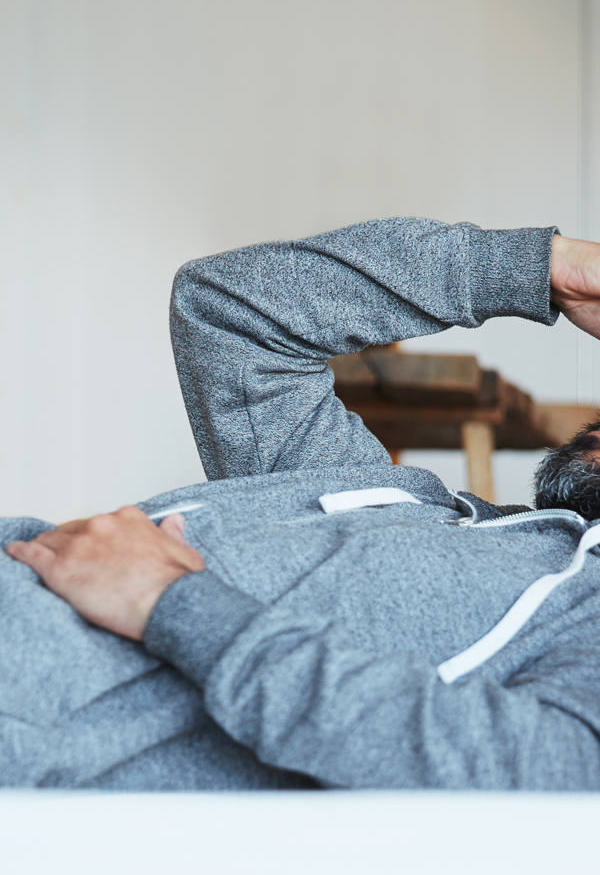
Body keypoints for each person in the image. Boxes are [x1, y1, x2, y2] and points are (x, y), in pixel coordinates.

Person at [3, 218, 600, 791]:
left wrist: (173, 602)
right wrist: (540, 268)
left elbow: (526, 771)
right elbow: (231, 312)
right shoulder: (413, 505)